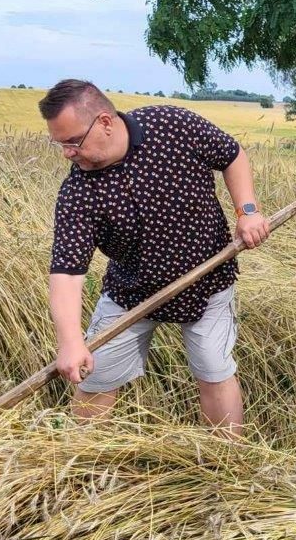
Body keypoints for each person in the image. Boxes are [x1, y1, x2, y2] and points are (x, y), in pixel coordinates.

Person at [41, 79, 270, 434]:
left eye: (73, 141)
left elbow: (232, 154)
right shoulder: (78, 192)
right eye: (60, 143)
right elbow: (67, 272)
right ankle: (83, 468)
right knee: (95, 375)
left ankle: (228, 467)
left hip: (207, 282)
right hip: (131, 292)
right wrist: (70, 342)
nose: (67, 153)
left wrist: (248, 210)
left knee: (214, 371)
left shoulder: (172, 127)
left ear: (104, 122)